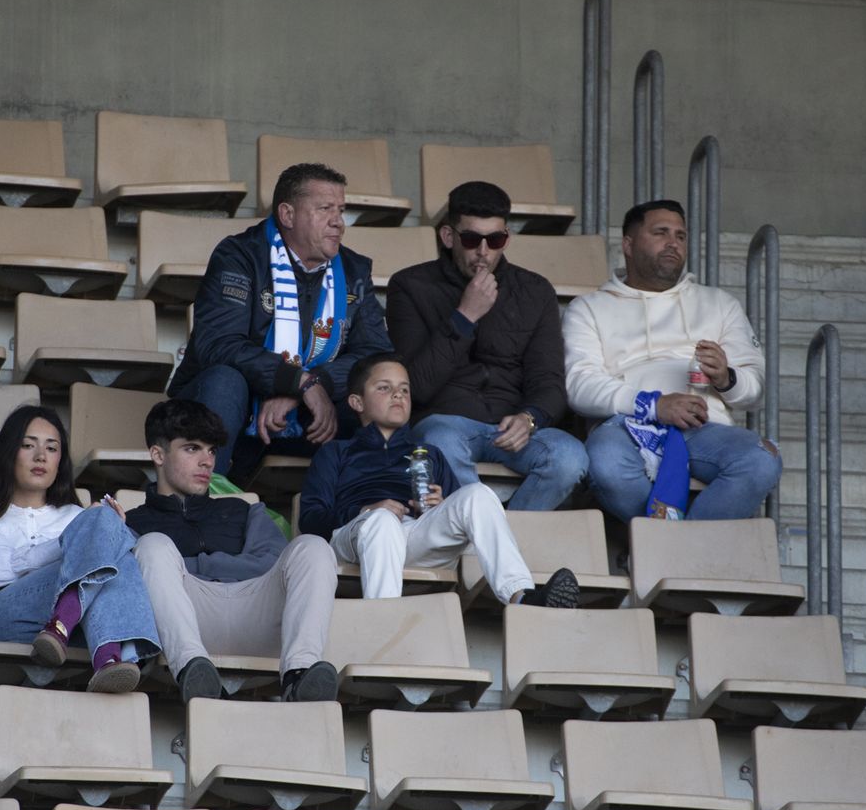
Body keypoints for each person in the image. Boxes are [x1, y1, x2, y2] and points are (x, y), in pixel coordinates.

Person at [166, 162, 393, 480]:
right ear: (287, 215)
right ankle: (202, 506)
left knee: (384, 391)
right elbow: (217, 344)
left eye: (341, 210)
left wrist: (310, 384)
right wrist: (297, 381)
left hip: (309, 418)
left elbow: (375, 357)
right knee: (225, 380)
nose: (338, 223)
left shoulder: (353, 270)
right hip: (232, 412)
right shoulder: (240, 256)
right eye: (325, 209)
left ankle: (371, 510)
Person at [299, 352, 579, 607]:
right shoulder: (336, 452)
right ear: (356, 402)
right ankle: (383, 621)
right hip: (355, 537)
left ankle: (521, 597)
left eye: (404, 389)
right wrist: (365, 511)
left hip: (414, 536)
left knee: (477, 494)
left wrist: (440, 504)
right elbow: (311, 519)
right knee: (382, 522)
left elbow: (463, 516)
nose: (398, 395)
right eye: (385, 388)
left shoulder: (429, 454)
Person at [564, 199, 780, 521]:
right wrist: (653, 405)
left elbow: (755, 390)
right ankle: (678, 550)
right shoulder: (589, 307)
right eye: (661, 233)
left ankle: (664, 548)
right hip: (627, 427)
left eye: (680, 236)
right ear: (628, 244)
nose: (673, 243)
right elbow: (578, 385)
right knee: (605, 460)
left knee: (762, 459)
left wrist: (727, 378)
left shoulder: (719, 303)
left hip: (703, 428)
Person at [0, 405, 160, 693]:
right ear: (8, 452)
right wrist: (75, 541)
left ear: (60, 459)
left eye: (52, 449)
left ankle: (81, 638)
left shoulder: (75, 516)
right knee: (107, 535)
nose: (41, 456)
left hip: (72, 636)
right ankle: (108, 651)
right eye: (28, 445)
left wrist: (104, 533)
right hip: (0, 622)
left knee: (112, 535)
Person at [386, 180, 586, 510]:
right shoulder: (410, 286)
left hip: (513, 426)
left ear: (506, 237)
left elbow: (549, 381)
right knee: (440, 442)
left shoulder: (535, 290)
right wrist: (465, 316)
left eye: (495, 240)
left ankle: (495, 546)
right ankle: (486, 545)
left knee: (569, 456)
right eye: (471, 239)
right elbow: (415, 386)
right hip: (445, 420)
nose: (483, 251)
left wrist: (530, 418)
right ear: (448, 237)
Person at [126, 399, 340, 703]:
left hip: (256, 613)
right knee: (153, 546)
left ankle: (299, 675)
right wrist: (228, 564)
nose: (207, 462)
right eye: (192, 448)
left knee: (313, 547)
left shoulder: (242, 510)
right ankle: (193, 674)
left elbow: (273, 562)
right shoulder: (134, 522)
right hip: (184, 620)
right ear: (158, 454)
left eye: (211, 450)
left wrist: (197, 565)